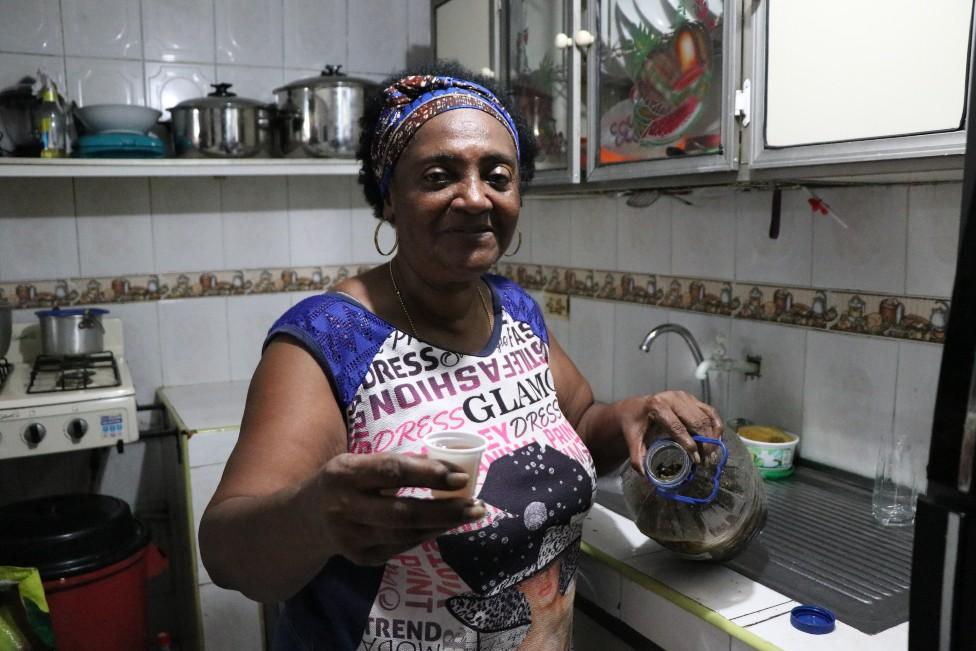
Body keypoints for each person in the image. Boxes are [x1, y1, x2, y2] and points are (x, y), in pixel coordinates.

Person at [198, 61, 722, 650]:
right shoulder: (329, 339)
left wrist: (634, 414)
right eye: (439, 175)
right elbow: (226, 553)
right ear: (388, 197)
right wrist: (315, 516)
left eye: (497, 175)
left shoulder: (514, 311)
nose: (475, 198)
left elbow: (577, 421)